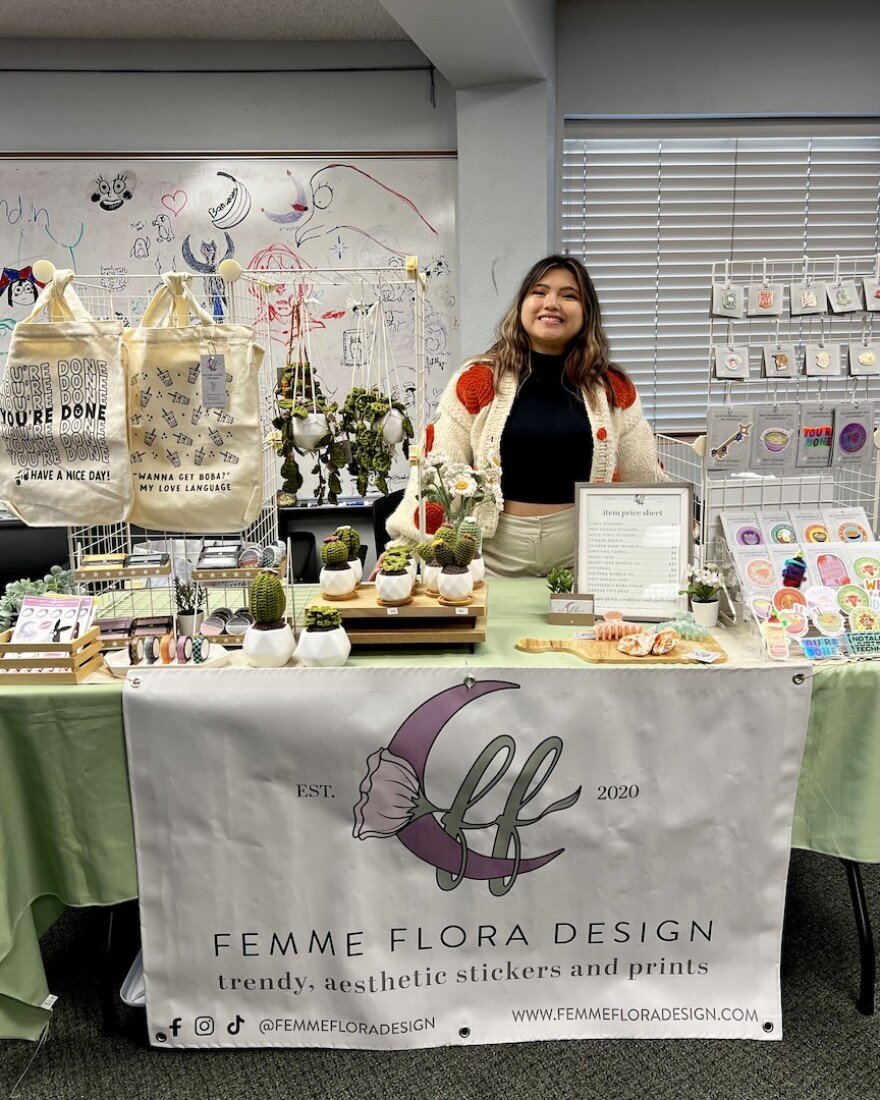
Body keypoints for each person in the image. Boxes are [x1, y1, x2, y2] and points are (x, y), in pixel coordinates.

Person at [382, 253, 667, 577]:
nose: (552, 303)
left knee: (585, 631)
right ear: (521, 306)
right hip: (492, 559)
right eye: (539, 292)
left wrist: (677, 533)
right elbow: (438, 473)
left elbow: (645, 478)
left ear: (586, 313)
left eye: (569, 295)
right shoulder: (476, 381)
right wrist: (404, 548)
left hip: (585, 559)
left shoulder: (612, 389)